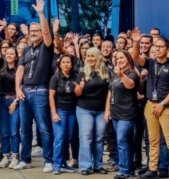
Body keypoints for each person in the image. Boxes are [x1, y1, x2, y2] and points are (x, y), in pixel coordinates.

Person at [131, 30, 169, 179]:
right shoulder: (151, 63)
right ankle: (153, 169)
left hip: (166, 106)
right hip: (150, 105)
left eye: (160, 46)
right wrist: (135, 42)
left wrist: (163, 103)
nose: (157, 48)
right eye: (156, 46)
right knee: (152, 140)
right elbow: (135, 57)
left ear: (167, 49)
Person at [14, 0, 58, 172]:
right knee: (24, 130)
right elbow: (20, 70)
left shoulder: (47, 46)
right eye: (31, 31)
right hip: (25, 92)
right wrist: (17, 89)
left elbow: (47, 33)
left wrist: (40, 13)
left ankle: (49, 160)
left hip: (40, 92)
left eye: (36, 31)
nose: (33, 33)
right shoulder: (26, 49)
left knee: (44, 128)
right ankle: (25, 159)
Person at [75, 47, 110, 175]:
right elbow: (77, 93)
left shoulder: (106, 72)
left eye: (92, 56)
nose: (90, 58)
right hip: (85, 109)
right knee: (86, 137)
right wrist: (81, 87)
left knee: (99, 138)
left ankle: (98, 165)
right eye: (88, 56)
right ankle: (85, 166)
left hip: (101, 110)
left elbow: (110, 92)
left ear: (98, 57)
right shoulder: (82, 72)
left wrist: (108, 110)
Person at [104, 50, 139, 179]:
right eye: (117, 58)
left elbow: (130, 85)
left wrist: (121, 74)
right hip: (115, 113)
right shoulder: (115, 75)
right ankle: (129, 169)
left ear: (128, 59)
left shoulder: (132, 73)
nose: (119, 60)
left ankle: (124, 171)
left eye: (122, 58)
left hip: (127, 113)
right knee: (126, 141)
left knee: (122, 140)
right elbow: (110, 92)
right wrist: (107, 110)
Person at [49, 54, 78, 175]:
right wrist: (54, 113)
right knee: (59, 138)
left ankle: (63, 163)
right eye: (63, 62)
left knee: (68, 138)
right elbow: (51, 96)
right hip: (60, 110)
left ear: (71, 64)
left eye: (68, 62)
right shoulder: (55, 77)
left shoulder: (75, 77)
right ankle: (57, 165)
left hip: (72, 111)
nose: (66, 64)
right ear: (60, 64)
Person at [0, 47, 20, 168]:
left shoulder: (19, 69)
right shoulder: (1, 67)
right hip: (0, 101)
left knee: (14, 131)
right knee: (4, 131)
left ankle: (15, 156)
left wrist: (15, 102)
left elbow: (22, 86)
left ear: (16, 56)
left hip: (14, 100)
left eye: (12, 54)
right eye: (7, 53)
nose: (9, 55)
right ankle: (5, 156)